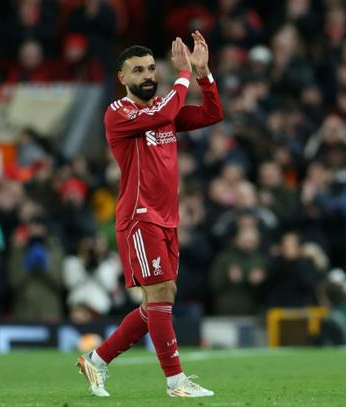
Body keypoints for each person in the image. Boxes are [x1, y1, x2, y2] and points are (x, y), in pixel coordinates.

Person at [76, 32, 223, 398]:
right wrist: (184, 74)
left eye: (152, 68)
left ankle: (96, 360)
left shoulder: (162, 109)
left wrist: (203, 73)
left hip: (167, 218)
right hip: (139, 216)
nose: (147, 75)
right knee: (159, 294)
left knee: (160, 298)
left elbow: (212, 113)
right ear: (122, 77)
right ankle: (176, 382)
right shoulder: (119, 113)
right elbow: (167, 111)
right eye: (138, 70)